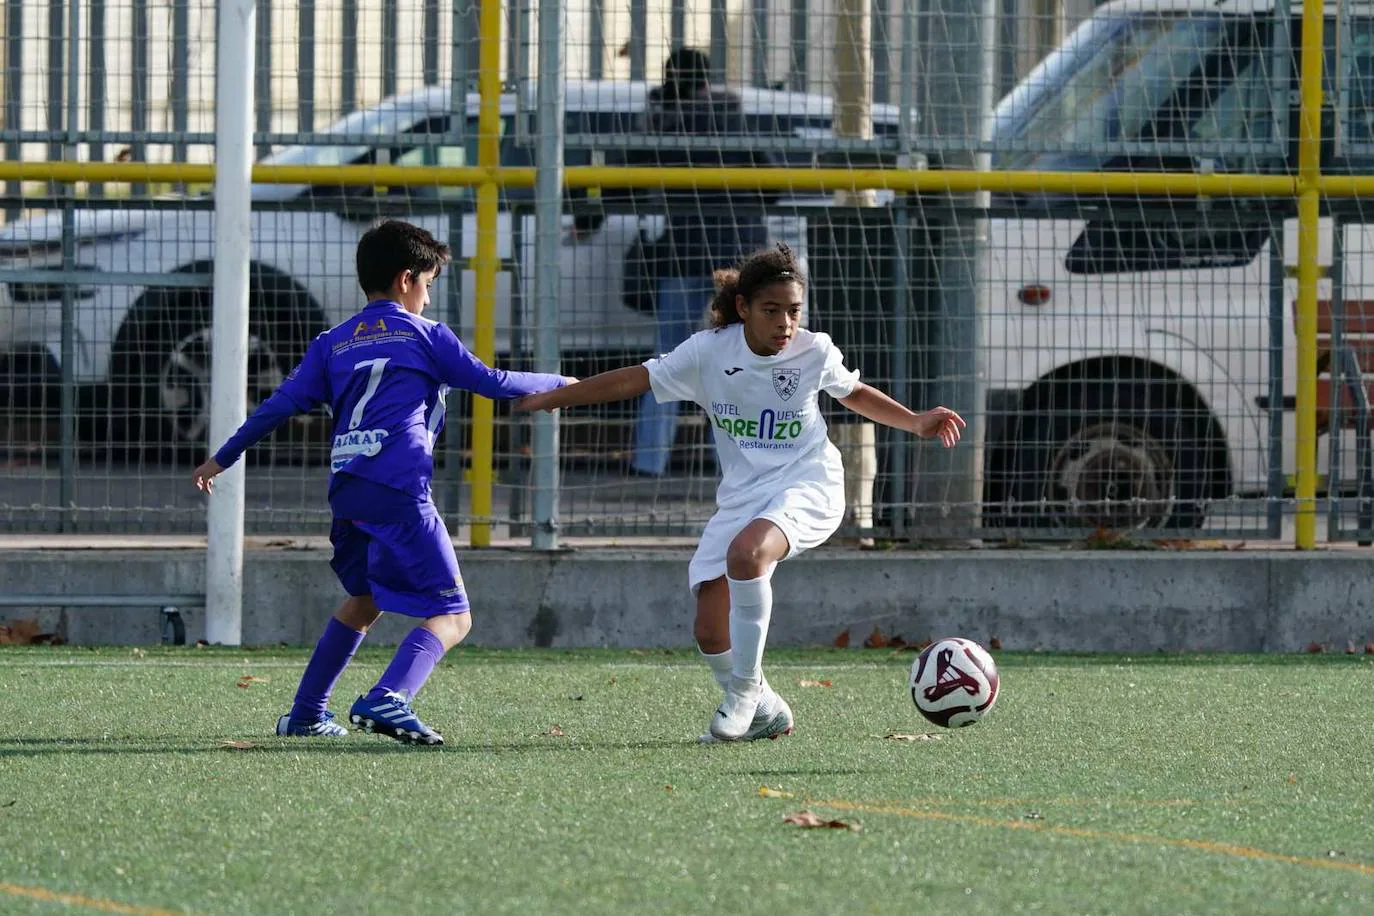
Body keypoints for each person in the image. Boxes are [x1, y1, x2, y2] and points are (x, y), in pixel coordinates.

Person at [515, 243, 965, 741]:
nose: (785, 324)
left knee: (749, 555)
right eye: (771, 311)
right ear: (742, 308)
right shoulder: (708, 352)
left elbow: (852, 392)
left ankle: (745, 692)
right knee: (710, 631)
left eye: (794, 311)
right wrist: (558, 397)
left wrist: (916, 422)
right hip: (744, 497)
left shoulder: (814, 351)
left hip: (809, 483)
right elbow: (635, 379)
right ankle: (769, 709)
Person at [192, 219, 571, 746]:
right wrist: (561, 384)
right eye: (429, 285)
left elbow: (277, 406)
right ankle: (389, 696)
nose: (428, 298)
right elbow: (495, 383)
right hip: (399, 487)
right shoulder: (426, 336)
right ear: (406, 279)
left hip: (349, 489)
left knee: (365, 598)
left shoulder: (333, 342)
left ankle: (305, 714)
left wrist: (221, 458)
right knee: (453, 615)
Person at [583, 47, 776, 477]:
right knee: (736, 358)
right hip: (737, 256)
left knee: (668, 360)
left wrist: (588, 213)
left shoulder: (659, 118)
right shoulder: (730, 114)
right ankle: (735, 460)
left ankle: (649, 459)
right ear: (707, 80)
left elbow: (622, 176)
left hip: (683, 250)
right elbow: (770, 176)